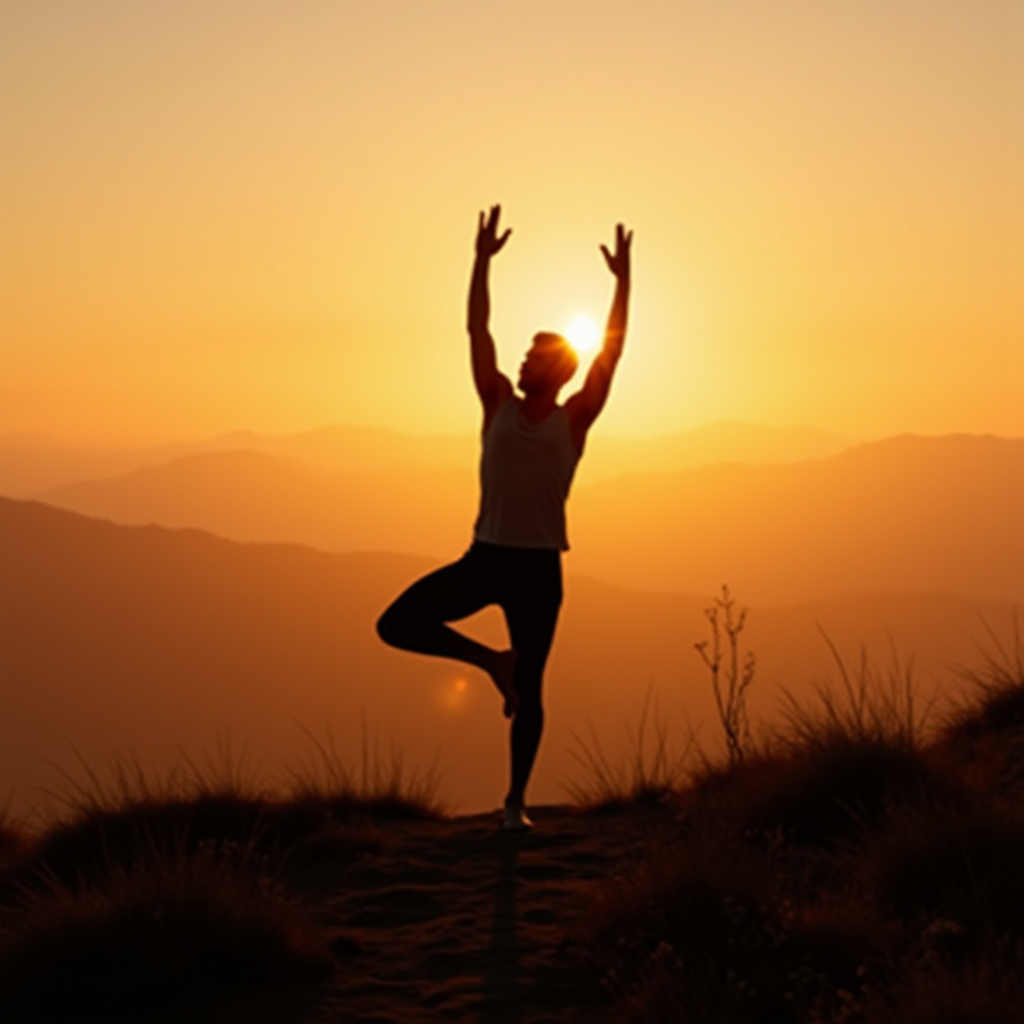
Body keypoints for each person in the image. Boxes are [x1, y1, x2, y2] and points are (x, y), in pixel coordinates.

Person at [376, 205, 632, 831]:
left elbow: (612, 357)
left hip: (539, 569)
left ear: (559, 369)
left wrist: (622, 284)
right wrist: (480, 262)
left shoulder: (575, 419)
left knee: (536, 690)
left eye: (534, 357)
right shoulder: (495, 402)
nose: (521, 362)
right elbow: (476, 332)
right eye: (522, 356)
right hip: (484, 557)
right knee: (396, 623)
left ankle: (515, 804)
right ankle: (494, 663)